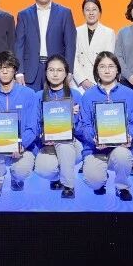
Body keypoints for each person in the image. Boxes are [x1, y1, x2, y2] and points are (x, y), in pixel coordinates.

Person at [77, 51, 133, 200]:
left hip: (120, 148)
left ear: (117, 70)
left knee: (123, 155)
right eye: (102, 66)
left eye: (111, 66)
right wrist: (94, 139)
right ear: (96, 70)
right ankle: (101, 179)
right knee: (94, 181)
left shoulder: (129, 93)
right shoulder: (88, 95)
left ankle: (122, 187)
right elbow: (84, 125)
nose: (107, 70)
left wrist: (129, 136)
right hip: (95, 149)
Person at [0, 51, 41, 196]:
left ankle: (17, 178)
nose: (5, 71)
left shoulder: (29, 94)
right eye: (0, 68)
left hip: (22, 147)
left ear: (15, 69)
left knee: (21, 170)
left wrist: (21, 144)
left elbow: (33, 127)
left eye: (8, 67)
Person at [14, 0, 76, 92]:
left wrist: (69, 70)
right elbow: (19, 45)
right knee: (32, 102)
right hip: (31, 70)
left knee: (55, 102)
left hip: (56, 69)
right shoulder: (23, 15)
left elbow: (70, 45)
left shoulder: (65, 13)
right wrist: (19, 71)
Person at [36, 55, 87, 199]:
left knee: (64, 144)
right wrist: (42, 137)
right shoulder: (38, 96)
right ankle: (57, 177)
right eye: (51, 70)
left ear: (66, 74)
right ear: (46, 73)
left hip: (72, 144)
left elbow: (83, 128)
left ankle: (68, 186)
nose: (55, 74)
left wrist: (73, 118)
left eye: (59, 70)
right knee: (43, 169)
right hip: (48, 144)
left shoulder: (76, 95)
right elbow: (34, 124)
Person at [72, 0, 116, 91]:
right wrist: (83, 80)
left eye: (94, 9)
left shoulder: (109, 33)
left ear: (100, 11)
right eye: (87, 10)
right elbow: (73, 58)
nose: (91, 13)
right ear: (83, 12)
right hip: (79, 83)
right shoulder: (76, 32)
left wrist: (100, 81)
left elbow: (108, 60)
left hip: (100, 82)